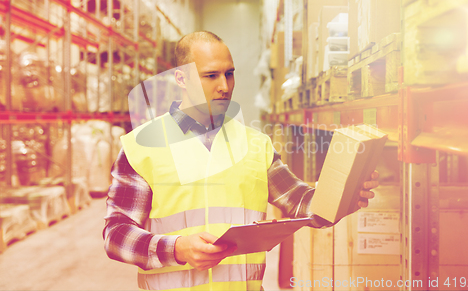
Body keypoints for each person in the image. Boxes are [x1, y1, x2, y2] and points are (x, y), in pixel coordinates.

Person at [103, 31, 379, 291]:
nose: (224, 86)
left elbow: (300, 202)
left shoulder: (256, 145)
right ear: (181, 79)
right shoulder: (141, 146)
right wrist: (178, 248)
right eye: (211, 76)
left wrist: (343, 196)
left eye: (229, 74)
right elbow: (116, 236)